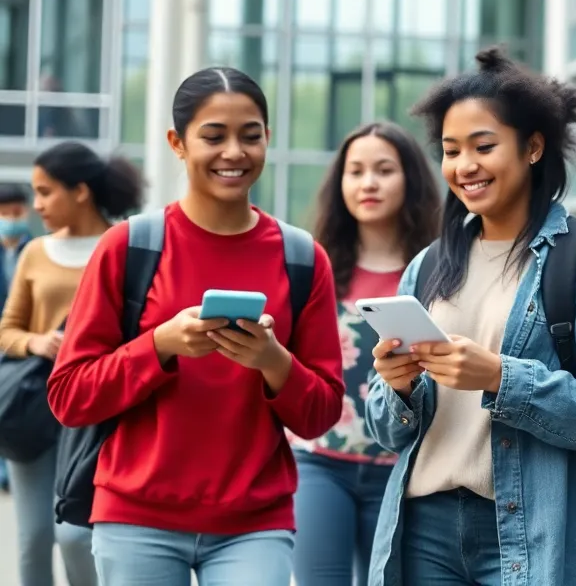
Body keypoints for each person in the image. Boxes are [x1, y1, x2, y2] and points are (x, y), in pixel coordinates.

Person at [46, 66, 345, 586]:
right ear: (177, 144)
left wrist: (272, 361)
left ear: (268, 140)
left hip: (255, 521)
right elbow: (70, 396)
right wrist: (159, 345)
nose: (234, 152)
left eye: (250, 136)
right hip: (136, 516)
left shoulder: (302, 258)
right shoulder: (128, 247)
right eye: (214, 136)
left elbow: (321, 413)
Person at [365, 47, 576, 586]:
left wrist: (500, 378)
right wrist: (396, 388)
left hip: (530, 528)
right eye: (451, 150)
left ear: (533, 147)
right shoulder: (428, 265)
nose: (465, 166)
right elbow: (386, 430)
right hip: (423, 526)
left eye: (483, 146)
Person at [292, 122, 441, 586]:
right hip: (320, 463)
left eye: (383, 170)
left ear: (410, 180)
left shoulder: (437, 270)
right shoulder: (314, 266)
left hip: (405, 470)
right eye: (355, 171)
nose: (368, 183)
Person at [0, 143, 144, 586]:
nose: (36, 205)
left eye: (46, 192)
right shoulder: (35, 252)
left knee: (77, 537)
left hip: (99, 413)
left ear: (79, 191)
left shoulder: (125, 247)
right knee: (33, 538)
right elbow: (7, 329)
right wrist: (37, 341)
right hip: (35, 409)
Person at [0, 182, 32, 494]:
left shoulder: (37, 249)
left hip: (22, 346)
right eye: (4, 213)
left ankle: (8, 473)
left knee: (13, 409)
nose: (11, 217)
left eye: (16, 211)